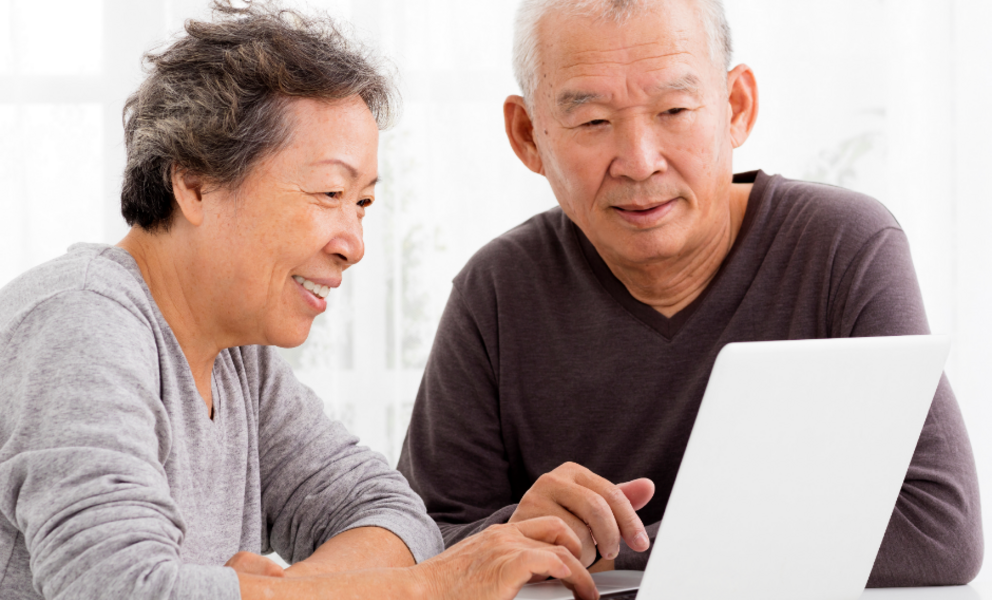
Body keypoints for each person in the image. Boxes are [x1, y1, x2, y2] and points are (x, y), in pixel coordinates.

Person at [0, 3, 601, 600]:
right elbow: (116, 589)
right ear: (195, 184)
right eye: (329, 192)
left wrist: (291, 591)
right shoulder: (78, 322)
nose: (354, 245)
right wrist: (426, 589)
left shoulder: (238, 361)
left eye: (362, 203)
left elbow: (396, 514)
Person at [397, 0, 984, 587]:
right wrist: (512, 533)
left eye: (674, 109)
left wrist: (605, 552)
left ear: (736, 107)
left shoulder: (842, 247)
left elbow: (939, 531)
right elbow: (421, 546)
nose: (639, 161)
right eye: (593, 121)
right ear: (528, 136)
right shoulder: (497, 290)